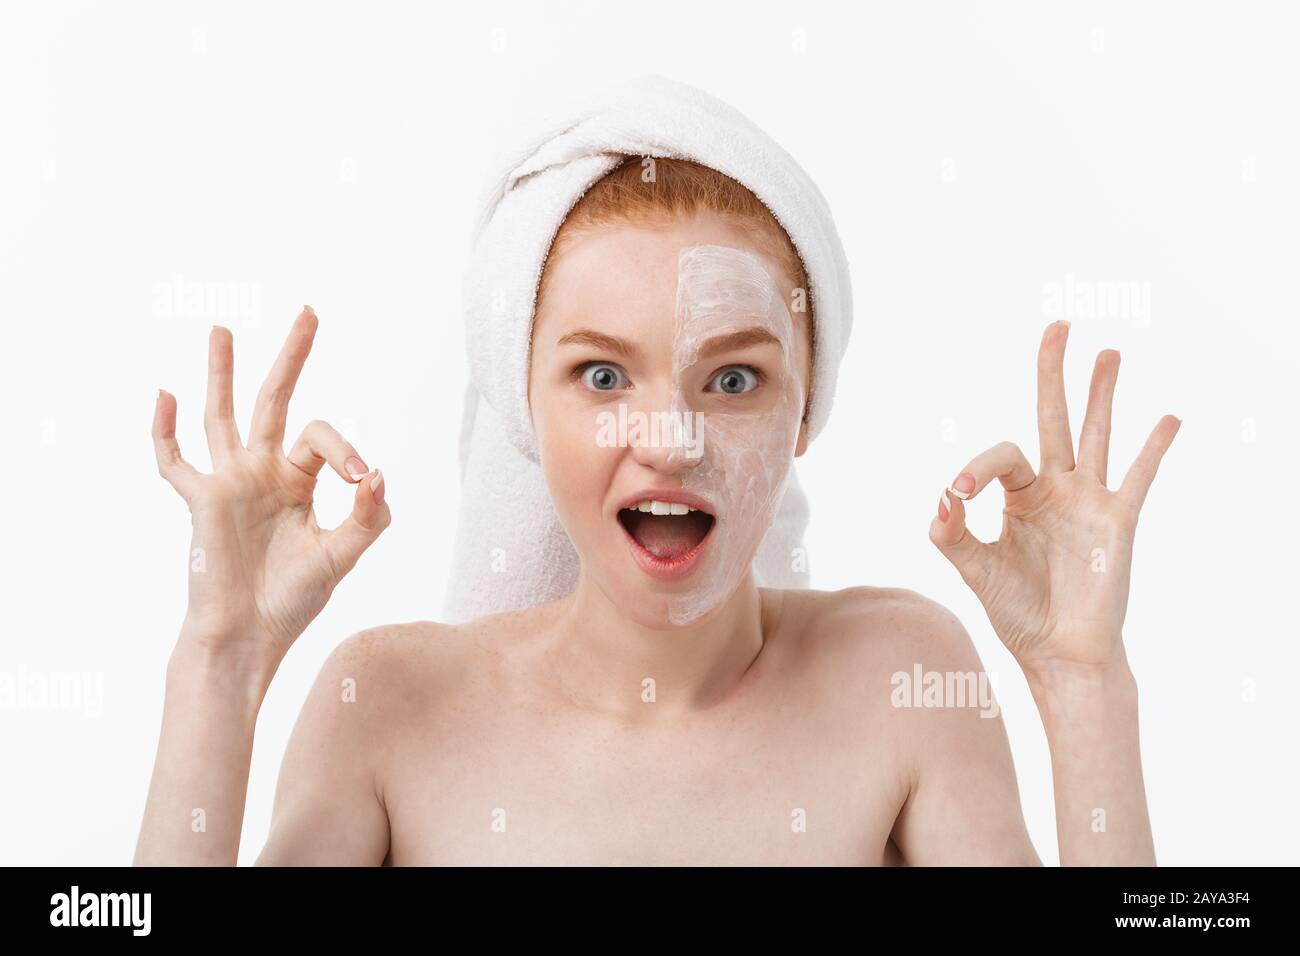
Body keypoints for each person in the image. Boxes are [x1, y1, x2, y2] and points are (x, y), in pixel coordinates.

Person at [136, 153, 1179, 867]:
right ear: (523, 409)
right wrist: (219, 658)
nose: (671, 438)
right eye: (599, 376)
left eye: (733, 381)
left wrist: (1082, 680)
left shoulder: (901, 676)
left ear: (805, 407)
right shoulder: (389, 700)